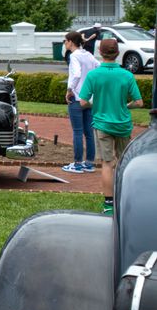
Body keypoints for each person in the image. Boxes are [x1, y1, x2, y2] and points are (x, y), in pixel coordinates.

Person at [78, 38, 143, 215]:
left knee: (107, 164)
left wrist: (97, 104)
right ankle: (125, 200)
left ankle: (108, 205)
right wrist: (125, 105)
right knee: (124, 163)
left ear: (100, 52)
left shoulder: (93, 75)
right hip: (123, 124)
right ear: (117, 53)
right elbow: (139, 102)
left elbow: (83, 102)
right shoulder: (127, 75)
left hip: (102, 124)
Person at [61, 31, 99, 174]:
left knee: (77, 131)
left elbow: (76, 74)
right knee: (89, 132)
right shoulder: (88, 55)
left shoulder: (74, 56)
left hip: (76, 98)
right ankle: (89, 163)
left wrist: (70, 89)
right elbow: (99, 67)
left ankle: (77, 163)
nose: (64, 43)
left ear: (71, 41)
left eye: (65, 41)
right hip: (89, 99)